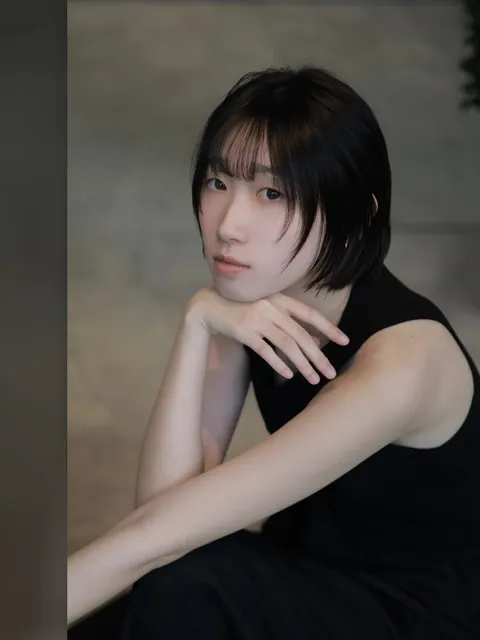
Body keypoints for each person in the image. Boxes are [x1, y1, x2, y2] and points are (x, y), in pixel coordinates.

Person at [68, 66, 480, 639]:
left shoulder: (404, 362)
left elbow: (159, 537)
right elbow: (162, 507)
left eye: (272, 193)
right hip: (306, 574)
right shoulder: (254, 300)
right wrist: (197, 323)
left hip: (410, 612)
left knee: (184, 585)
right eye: (218, 182)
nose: (229, 226)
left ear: (359, 214)